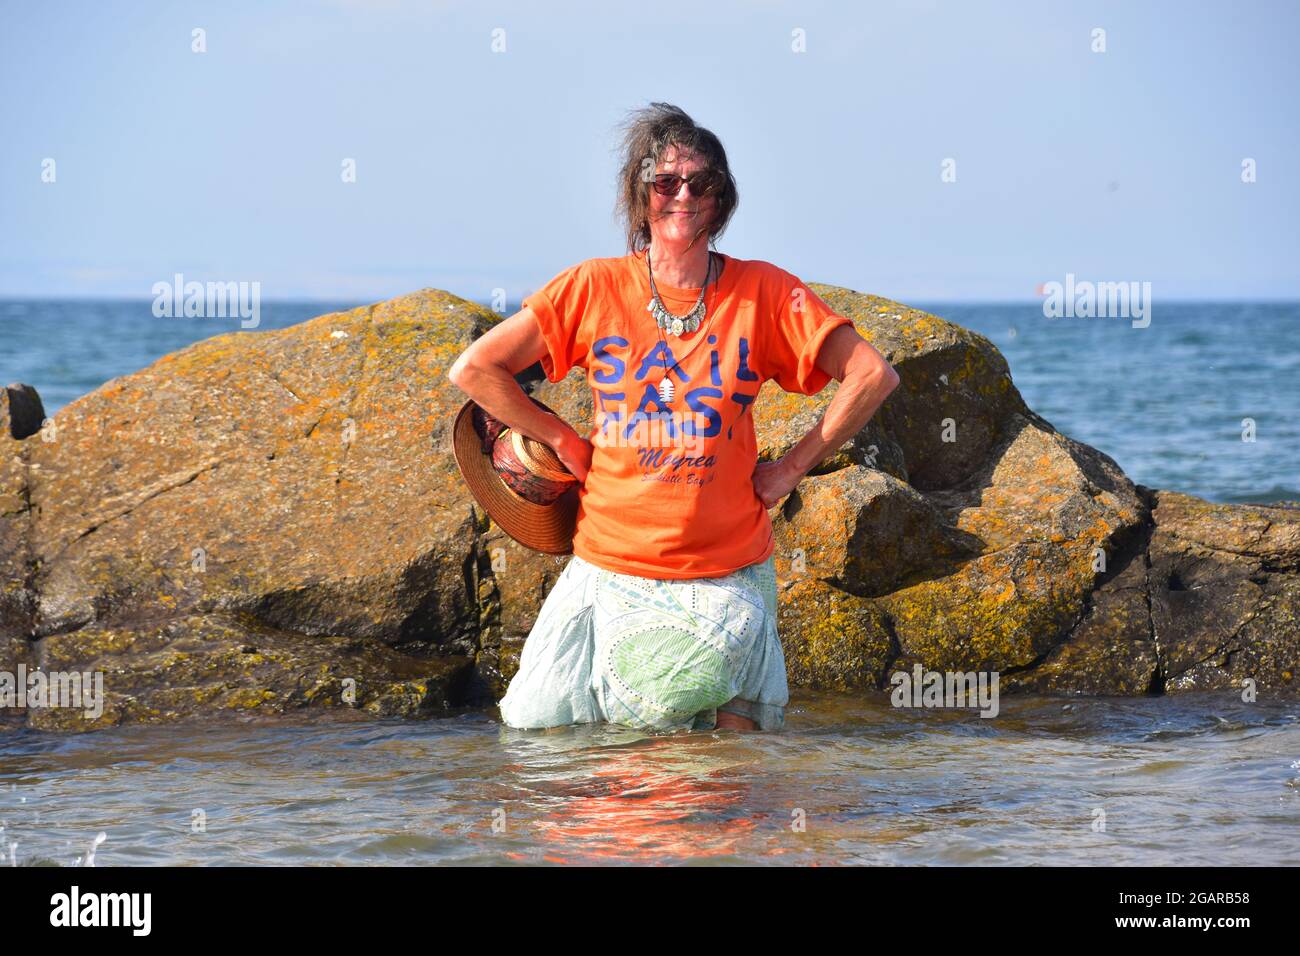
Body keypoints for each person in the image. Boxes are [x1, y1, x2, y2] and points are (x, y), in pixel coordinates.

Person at [448, 102, 900, 733]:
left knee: (696, 724)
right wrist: (557, 437)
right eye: (665, 182)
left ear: (722, 199)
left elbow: (873, 374)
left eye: (701, 183)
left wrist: (793, 468)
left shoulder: (767, 292)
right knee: (539, 739)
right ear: (641, 196)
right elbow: (475, 370)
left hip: (725, 571)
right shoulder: (591, 288)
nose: (682, 195)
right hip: (607, 566)